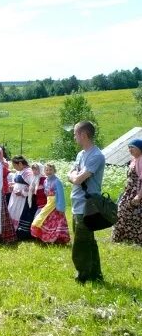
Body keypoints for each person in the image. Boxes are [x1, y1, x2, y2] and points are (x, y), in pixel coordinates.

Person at [68, 121, 105, 283]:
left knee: (81, 242)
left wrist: (73, 176)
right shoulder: (81, 154)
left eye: (75, 133)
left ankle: (83, 275)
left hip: (87, 206)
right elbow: (72, 174)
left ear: (83, 135)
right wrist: (73, 176)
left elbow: (77, 178)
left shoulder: (96, 156)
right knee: (88, 240)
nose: (74, 137)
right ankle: (95, 274)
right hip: (77, 203)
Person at [111, 139, 142, 245]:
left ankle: (133, 240)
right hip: (129, 192)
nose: (130, 149)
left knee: (133, 216)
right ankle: (123, 238)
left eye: (132, 147)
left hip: (136, 193)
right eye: (129, 147)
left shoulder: (141, 160)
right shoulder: (134, 159)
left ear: (139, 148)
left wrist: (139, 196)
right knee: (122, 213)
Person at [31, 163, 70, 244]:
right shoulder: (45, 181)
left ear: (54, 171)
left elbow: (61, 195)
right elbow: (46, 193)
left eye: (50, 170)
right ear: (44, 171)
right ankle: (48, 237)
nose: (48, 172)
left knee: (57, 221)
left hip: (56, 203)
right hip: (49, 203)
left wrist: (60, 208)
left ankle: (57, 238)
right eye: (47, 170)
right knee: (44, 219)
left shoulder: (57, 181)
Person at [7, 156, 32, 230]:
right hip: (15, 197)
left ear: (20, 163)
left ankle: (20, 230)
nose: (14, 167)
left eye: (15, 165)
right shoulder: (19, 171)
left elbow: (32, 186)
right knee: (13, 210)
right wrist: (13, 185)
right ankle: (12, 229)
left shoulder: (28, 172)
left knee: (19, 212)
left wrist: (22, 192)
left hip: (23, 199)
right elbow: (18, 183)